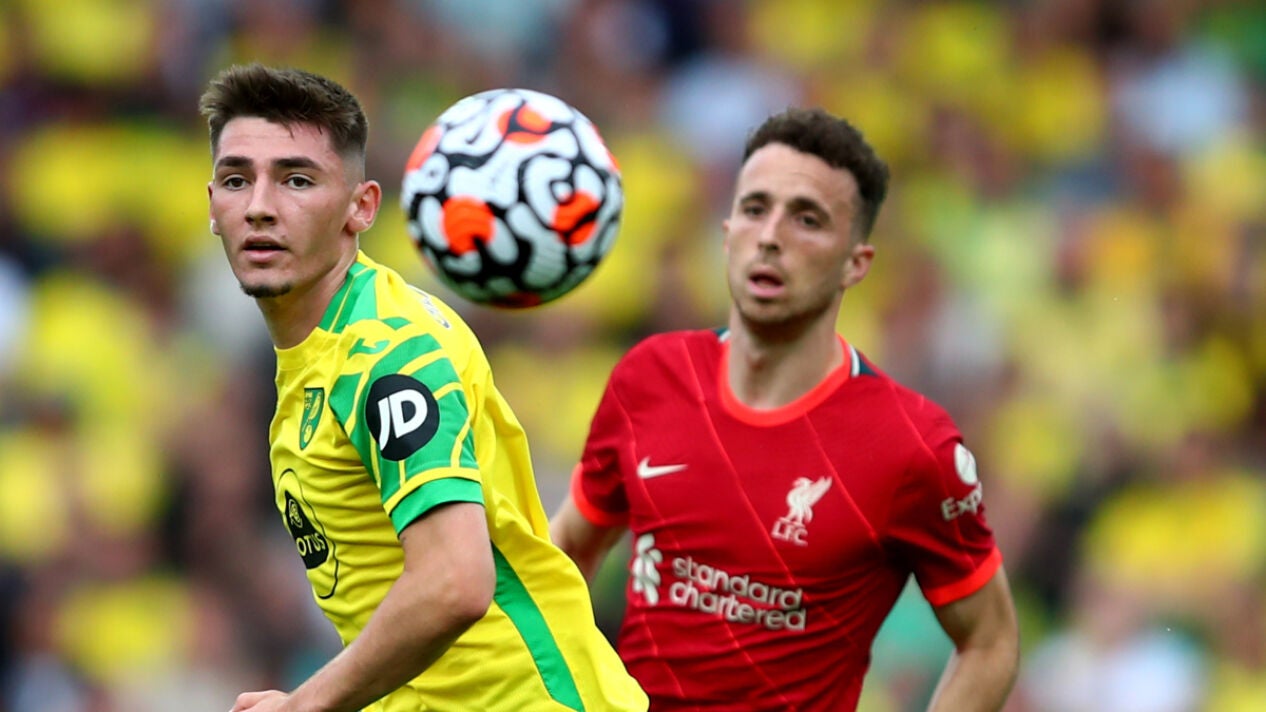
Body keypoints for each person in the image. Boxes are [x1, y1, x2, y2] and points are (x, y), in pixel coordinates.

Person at [201, 63, 648, 712]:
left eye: (297, 179)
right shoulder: (316, 357)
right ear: (212, 206)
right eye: (237, 179)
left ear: (361, 207)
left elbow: (455, 582)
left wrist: (305, 705)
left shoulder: (387, 352)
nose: (260, 206)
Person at [549, 107, 1020, 711]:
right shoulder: (651, 376)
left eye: (807, 219)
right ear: (727, 233)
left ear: (856, 263)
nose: (771, 236)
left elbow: (990, 641)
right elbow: (568, 551)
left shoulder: (910, 445)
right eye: (755, 209)